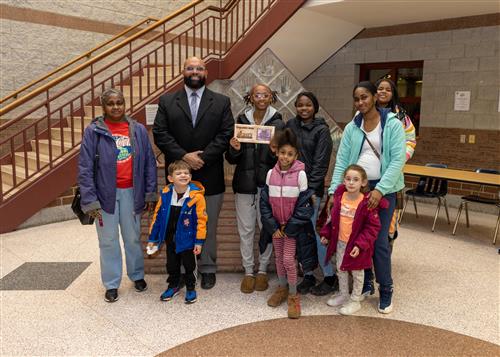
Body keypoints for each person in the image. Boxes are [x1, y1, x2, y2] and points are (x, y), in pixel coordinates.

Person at [153, 56, 234, 289]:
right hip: (178, 178)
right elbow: (161, 133)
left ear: (206, 73)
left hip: (210, 175)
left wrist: (202, 158)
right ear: (183, 72)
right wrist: (184, 157)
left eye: (199, 68)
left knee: (206, 225)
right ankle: (179, 270)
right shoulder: (167, 101)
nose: (195, 71)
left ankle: (207, 268)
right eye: (190, 68)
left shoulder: (221, 101)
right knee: (177, 224)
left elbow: (225, 134)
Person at [327, 81, 405, 314]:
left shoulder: (392, 124)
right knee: (357, 238)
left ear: (374, 97)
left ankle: (386, 289)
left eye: (365, 97)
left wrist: (380, 189)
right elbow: (342, 160)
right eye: (357, 99)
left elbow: (397, 160)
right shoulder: (353, 127)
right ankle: (366, 284)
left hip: (385, 189)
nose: (361, 102)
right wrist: (334, 190)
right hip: (355, 189)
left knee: (379, 240)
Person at [78, 88, 157, 303]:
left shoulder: (138, 129)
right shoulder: (93, 131)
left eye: (119, 102)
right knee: (108, 240)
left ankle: (137, 275)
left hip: (133, 192)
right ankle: (112, 283)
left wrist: (150, 193)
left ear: (125, 104)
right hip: (105, 196)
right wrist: (90, 200)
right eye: (111, 103)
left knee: (132, 238)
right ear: (104, 107)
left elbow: (149, 162)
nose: (116, 107)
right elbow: (85, 167)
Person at [225, 84, 285, 294]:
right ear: (250, 97)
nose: (261, 97)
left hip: (268, 186)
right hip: (244, 185)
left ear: (271, 97)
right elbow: (231, 159)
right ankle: (248, 271)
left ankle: (262, 271)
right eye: (257, 94)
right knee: (246, 230)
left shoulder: (278, 122)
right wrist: (234, 149)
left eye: (265, 94)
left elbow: (283, 158)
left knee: (266, 229)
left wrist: (272, 151)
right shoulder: (241, 121)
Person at [260, 128, 318, 319]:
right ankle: (282, 288)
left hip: (292, 228)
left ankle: (293, 294)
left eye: (290, 154)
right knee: (278, 259)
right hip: (276, 228)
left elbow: (304, 206)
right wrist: (273, 227)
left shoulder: (300, 175)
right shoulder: (270, 174)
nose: (285, 157)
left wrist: (290, 227)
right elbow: (265, 202)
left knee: (287, 260)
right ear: (276, 152)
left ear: (296, 155)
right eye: (282, 152)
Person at [286, 91, 336, 296]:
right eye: (300, 105)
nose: (304, 108)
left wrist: (310, 191)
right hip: (291, 189)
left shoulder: (322, 130)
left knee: (316, 234)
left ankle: (329, 276)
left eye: (308, 105)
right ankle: (307, 275)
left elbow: (320, 164)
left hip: (310, 192)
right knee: (299, 235)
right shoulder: (290, 126)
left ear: (315, 107)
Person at [320, 165, 385, 315]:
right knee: (341, 269)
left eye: (355, 179)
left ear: (363, 183)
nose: (351, 183)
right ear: (343, 181)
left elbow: (372, 227)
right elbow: (332, 220)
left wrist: (361, 244)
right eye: (348, 179)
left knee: (357, 272)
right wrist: (327, 234)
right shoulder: (339, 198)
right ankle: (343, 294)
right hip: (340, 243)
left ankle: (355, 300)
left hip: (357, 245)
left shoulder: (366, 204)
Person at [147, 160, 207, 304]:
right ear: (170, 178)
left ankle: (191, 288)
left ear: (190, 177)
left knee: (189, 265)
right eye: (178, 173)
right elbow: (157, 218)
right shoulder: (166, 195)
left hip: (188, 240)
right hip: (170, 239)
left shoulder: (197, 197)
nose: (183, 175)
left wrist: (199, 241)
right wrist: (153, 239)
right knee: (172, 265)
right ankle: (173, 286)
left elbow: (202, 220)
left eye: (186, 173)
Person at [375, 78, 416, 247]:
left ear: (393, 94)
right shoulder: (365, 112)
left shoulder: (401, 116)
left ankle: (387, 245)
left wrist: (400, 158)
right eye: (380, 88)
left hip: (392, 173)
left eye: (388, 89)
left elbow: (411, 141)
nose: (383, 92)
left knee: (388, 220)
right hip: (369, 172)